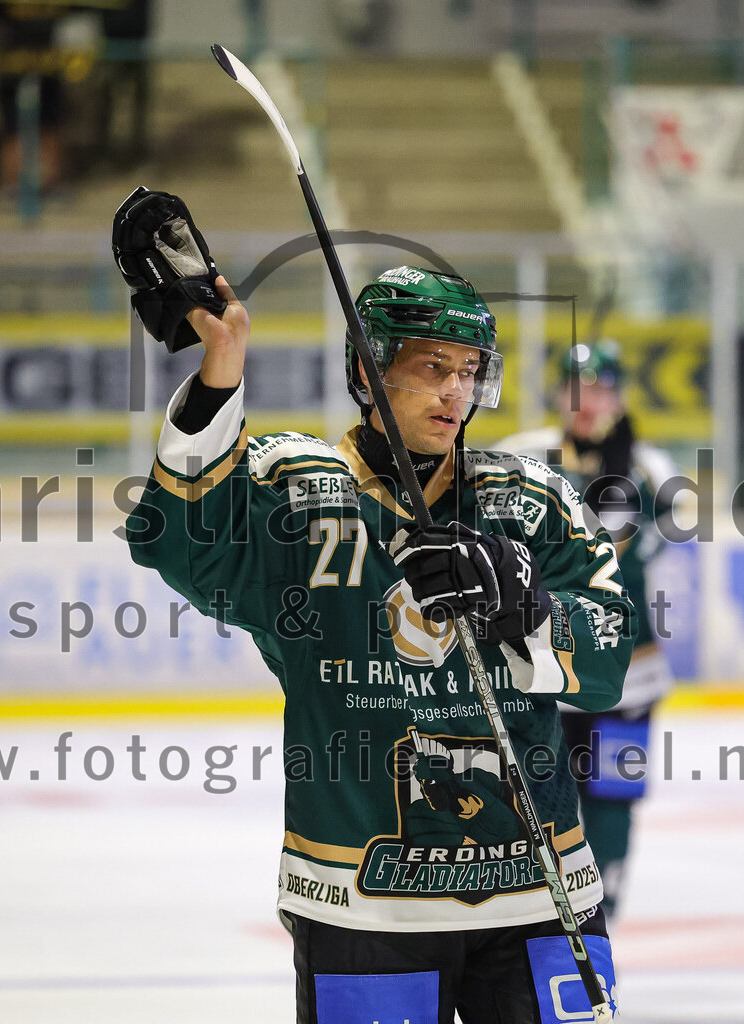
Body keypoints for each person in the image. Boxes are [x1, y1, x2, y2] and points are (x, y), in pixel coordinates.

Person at [114, 188, 634, 1023]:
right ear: (368, 368)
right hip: (361, 895)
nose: (454, 392)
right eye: (431, 367)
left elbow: (606, 661)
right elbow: (177, 542)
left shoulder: (531, 500)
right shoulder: (294, 487)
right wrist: (220, 372)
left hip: (539, 892)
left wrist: (517, 597)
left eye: (467, 371)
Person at [495, 339, 678, 919]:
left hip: (633, 675)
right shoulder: (521, 457)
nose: (585, 402)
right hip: (548, 666)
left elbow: (654, 548)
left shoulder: (652, 466)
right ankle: (544, 904)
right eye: (574, 388)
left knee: (615, 792)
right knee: (541, 791)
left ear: (621, 397)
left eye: (599, 389)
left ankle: (607, 902)